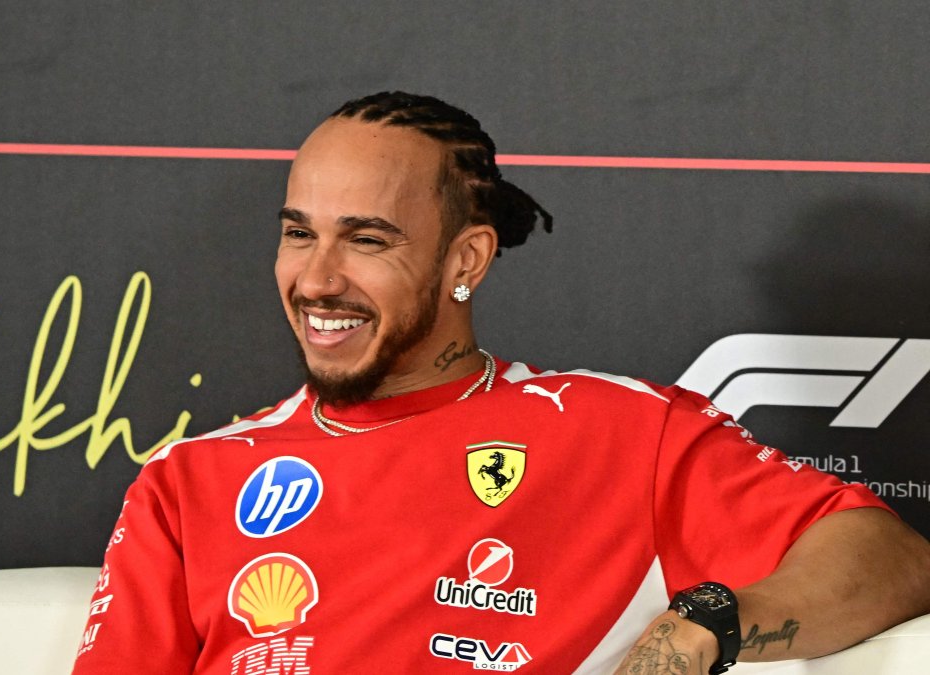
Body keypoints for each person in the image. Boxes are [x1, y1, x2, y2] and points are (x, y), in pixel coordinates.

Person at [71, 91, 930, 674]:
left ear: (466, 260)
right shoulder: (188, 481)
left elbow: (892, 558)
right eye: (300, 233)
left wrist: (701, 623)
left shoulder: (621, 432)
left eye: (366, 240)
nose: (318, 279)